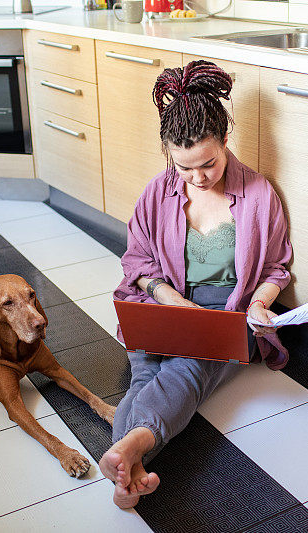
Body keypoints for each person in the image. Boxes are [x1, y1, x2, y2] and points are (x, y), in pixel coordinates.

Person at [98, 60, 293, 508]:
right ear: (168, 153)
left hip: (227, 310)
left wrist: (261, 304)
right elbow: (138, 262)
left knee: (185, 368)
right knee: (146, 366)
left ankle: (126, 456)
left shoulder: (260, 195)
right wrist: (168, 298)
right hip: (165, 300)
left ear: (226, 140)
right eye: (184, 168)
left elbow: (276, 269)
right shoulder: (157, 192)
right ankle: (131, 464)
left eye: (208, 164)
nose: (198, 178)